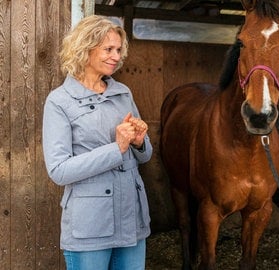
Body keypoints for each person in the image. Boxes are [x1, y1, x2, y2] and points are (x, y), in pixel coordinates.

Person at [42, 15, 153, 270]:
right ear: (85, 48)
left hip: (132, 221)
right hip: (90, 227)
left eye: (118, 50)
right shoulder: (60, 101)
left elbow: (145, 156)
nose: (116, 57)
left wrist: (138, 142)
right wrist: (117, 148)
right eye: (108, 49)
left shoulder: (123, 93)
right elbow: (59, 171)